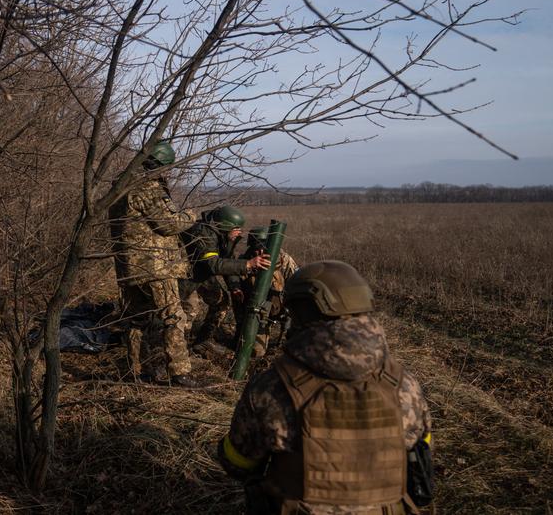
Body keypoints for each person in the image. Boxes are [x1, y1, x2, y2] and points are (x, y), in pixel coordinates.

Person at [218, 261, 433, 514]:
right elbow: (422, 456)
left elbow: (237, 463)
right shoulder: (404, 384)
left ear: (301, 311)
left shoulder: (271, 387)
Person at [109, 141, 198, 387]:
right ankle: (179, 373)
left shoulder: (121, 183)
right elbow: (169, 225)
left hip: (129, 268)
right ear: (158, 164)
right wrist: (192, 214)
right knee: (173, 317)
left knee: (136, 320)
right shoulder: (146, 186)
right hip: (154, 266)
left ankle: (134, 372)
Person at [181, 206, 270, 356]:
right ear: (225, 225)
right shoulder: (202, 233)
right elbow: (213, 264)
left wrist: (234, 287)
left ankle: (203, 341)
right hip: (185, 275)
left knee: (221, 302)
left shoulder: (223, 237)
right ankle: (180, 351)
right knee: (189, 310)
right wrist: (247, 264)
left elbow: (228, 261)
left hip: (202, 274)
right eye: (236, 228)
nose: (239, 232)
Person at [236, 227, 300, 358]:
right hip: (257, 314)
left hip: (281, 307)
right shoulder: (243, 261)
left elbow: (297, 279)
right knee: (256, 352)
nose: (260, 251)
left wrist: (292, 307)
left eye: (264, 247)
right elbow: (238, 292)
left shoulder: (283, 258)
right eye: (256, 248)